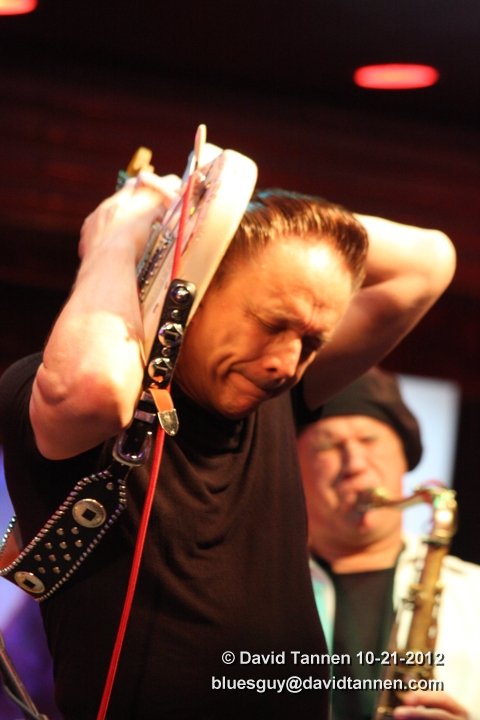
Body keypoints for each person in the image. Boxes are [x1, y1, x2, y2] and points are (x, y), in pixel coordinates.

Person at [0, 169, 456, 720]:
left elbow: (428, 262)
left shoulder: (272, 396)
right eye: (272, 323)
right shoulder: (50, 392)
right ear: (195, 288)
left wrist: (225, 202)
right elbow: (92, 390)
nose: (287, 363)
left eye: (312, 342)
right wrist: (123, 231)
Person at [297, 367, 480, 720]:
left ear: (403, 459)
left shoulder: (475, 594)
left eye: (368, 440)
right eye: (328, 446)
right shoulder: (258, 598)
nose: (355, 464)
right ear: (295, 470)